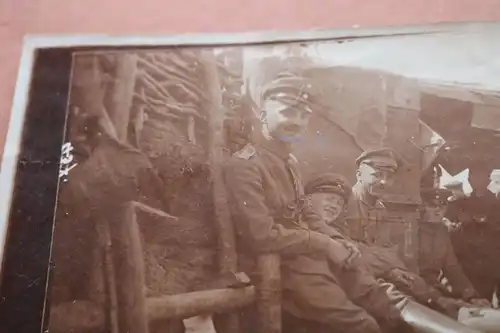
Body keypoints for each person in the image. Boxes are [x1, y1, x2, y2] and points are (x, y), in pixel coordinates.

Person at [223, 71, 404, 333]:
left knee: (385, 306)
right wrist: (323, 243)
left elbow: (306, 210)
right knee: (363, 326)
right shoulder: (244, 166)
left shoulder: (290, 163)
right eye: (288, 112)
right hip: (278, 267)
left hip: (307, 258)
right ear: (262, 115)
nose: (297, 121)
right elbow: (260, 236)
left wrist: (335, 238)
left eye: (304, 115)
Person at [419, 187, 491, 318]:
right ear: (422, 206)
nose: (438, 210)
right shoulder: (411, 232)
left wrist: (471, 296)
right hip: (413, 291)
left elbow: (452, 268)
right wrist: (436, 298)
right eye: (432, 205)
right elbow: (408, 273)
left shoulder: (442, 231)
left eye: (442, 205)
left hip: (434, 289)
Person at [447, 163, 500, 304]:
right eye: (471, 176)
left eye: (479, 176)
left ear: (487, 179)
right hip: (467, 259)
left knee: (484, 298)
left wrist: (485, 221)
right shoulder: (463, 202)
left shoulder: (496, 203)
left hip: (488, 260)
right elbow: (451, 220)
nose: (474, 180)